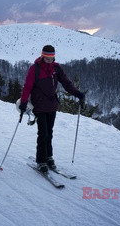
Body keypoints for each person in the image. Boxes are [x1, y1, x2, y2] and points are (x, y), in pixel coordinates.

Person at [19, 45, 85, 173]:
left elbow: (66, 83)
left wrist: (77, 93)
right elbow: (27, 86)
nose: (49, 60)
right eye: (47, 58)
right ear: (42, 56)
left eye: (51, 58)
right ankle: (41, 161)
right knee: (43, 133)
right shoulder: (35, 69)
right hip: (39, 105)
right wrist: (23, 102)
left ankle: (49, 157)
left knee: (49, 132)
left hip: (52, 104)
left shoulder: (56, 68)